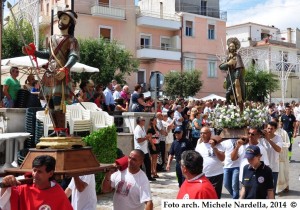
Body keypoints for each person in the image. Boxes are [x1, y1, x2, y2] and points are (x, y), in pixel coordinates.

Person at [23, 10, 79, 137]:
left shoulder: (72, 40)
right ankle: (57, 129)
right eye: (61, 19)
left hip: (61, 73)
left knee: (58, 102)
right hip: (49, 74)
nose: (61, 21)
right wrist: (34, 52)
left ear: (70, 23)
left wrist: (65, 68)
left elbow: (74, 56)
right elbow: (49, 55)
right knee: (51, 103)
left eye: (65, 19)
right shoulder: (52, 39)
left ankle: (62, 131)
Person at [0, 155, 73, 209]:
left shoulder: (58, 192)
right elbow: (4, 203)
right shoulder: (22, 188)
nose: (35, 174)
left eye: (39, 172)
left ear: (50, 173)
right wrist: (5, 185)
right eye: (34, 170)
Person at [195, 126, 225, 198]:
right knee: (204, 196)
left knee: (215, 196)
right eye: (201, 133)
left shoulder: (218, 144)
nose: (202, 135)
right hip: (203, 175)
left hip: (216, 175)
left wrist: (214, 147)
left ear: (210, 134)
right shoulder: (199, 146)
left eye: (204, 133)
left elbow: (222, 158)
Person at [219, 37, 245, 110]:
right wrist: (228, 63)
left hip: (236, 77)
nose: (231, 48)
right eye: (230, 46)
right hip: (229, 78)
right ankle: (230, 107)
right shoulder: (228, 57)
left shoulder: (237, 56)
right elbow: (221, 67)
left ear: (235, 47)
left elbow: (239, 68)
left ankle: (240, 109)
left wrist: (236, 78)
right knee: (230, 94)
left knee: (235, 94)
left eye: (233, 46)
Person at [261, 121, 283, 194]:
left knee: (271, 191)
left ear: (275, 129)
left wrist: (268, 140)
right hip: (263, 168)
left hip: (274, 168)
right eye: (268, 128)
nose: (269, 130)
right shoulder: (261, 139)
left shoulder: (278, 138)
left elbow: (278, 149)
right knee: (262, 191)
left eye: (271, 129)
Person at [133, 116, 156, 181]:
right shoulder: (137, 129)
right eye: (143, 120)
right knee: (139, 165)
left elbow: (143, 136)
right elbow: (139, 140)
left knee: (148, 163)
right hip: (139, 150)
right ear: (139, 121)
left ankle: (148, 177)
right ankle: (138, 178)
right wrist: (146, 137)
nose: (144, 121)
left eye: (144, 120)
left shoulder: (142, 127)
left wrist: (147, 137)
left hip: (144, 150)